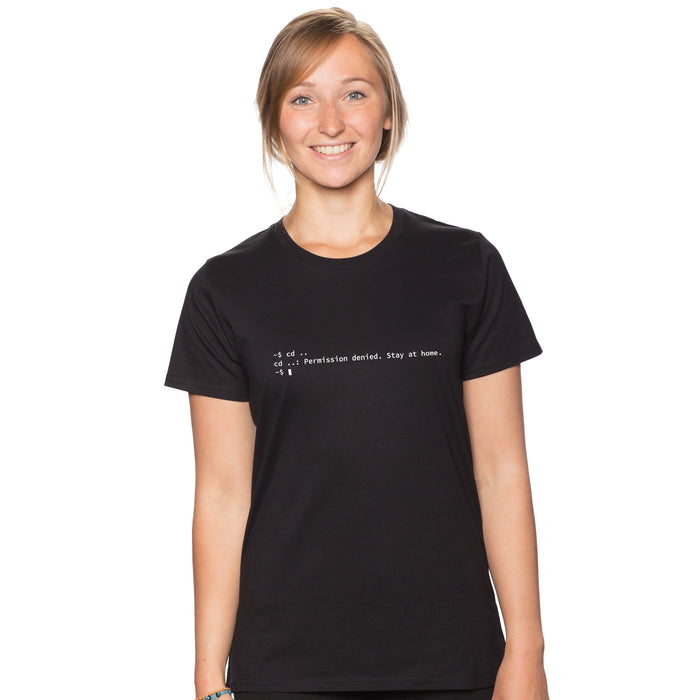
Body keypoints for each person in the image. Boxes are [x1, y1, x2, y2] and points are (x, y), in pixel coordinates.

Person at [164, 8, 550, 700]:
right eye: (302, 99)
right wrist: (206, 675)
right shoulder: (225, 289)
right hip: (284, 666)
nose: (331, 122)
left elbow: (501, 470)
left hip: (453, 661)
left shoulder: (466, 266)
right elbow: (222, 495)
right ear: (275, 125)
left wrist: (526, 652)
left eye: (354, 93)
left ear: (388, 113)